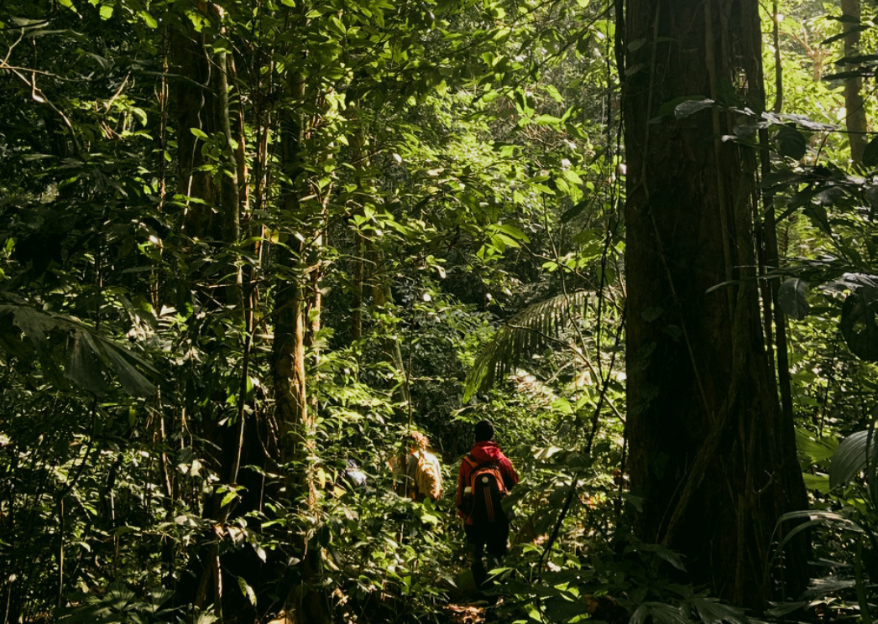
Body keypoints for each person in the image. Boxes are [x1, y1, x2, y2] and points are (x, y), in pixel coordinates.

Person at [455, 419, 518, 591]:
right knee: (497, 553)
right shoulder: (502, 460)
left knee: (476, 556)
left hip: (474, 518)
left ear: (475, 437)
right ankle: (498, 592)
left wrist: (464, 513)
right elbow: (515, 485)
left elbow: (461, 493)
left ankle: (484, 591)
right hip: (499, 517)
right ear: (492, 437)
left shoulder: (467, 462)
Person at [393, 430, 443, 502]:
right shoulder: (433, 458)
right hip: (432, 496)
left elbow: (399, 477)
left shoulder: (410, 459)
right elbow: (439, 479)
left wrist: (395, 464)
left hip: (416, 496)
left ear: (410, 445)